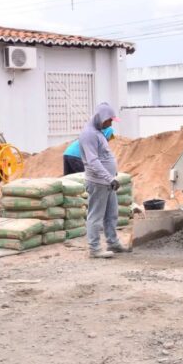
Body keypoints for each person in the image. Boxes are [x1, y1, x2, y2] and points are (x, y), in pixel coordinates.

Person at [80, 103, 130, 259]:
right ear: (101, 118)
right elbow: (93, 161)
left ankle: (112, 242)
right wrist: (109, 178)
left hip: (107, 182)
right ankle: (94, 248)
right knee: (96, 216)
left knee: (111, 214)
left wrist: (111, 178)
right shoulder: (89, 134)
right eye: (109, 120)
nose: (110, 124)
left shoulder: (98, 132)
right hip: (98, 182)